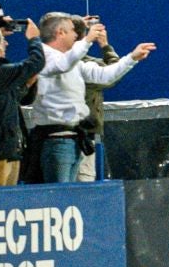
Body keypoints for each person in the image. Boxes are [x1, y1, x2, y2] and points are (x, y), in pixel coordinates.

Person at [32, 13, 151, 183]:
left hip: (74, 139)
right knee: (59, 197)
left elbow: (105, 76)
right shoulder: (43, 57)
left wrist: (132, 58)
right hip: (55, 140)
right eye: (73, 31)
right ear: (60, 33)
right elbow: (62, 65)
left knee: (72, 198)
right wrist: (87, 40)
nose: (76, 35)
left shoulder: (75, 62)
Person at [0, 18, 43, 186]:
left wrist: (27, 84)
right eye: (3, 41)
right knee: (0, 206)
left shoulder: (2, 78)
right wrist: (34, 39)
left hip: (6, 150)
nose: (6, 44)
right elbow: (36, 62)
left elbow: (9, 99)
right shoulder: (0, 71)